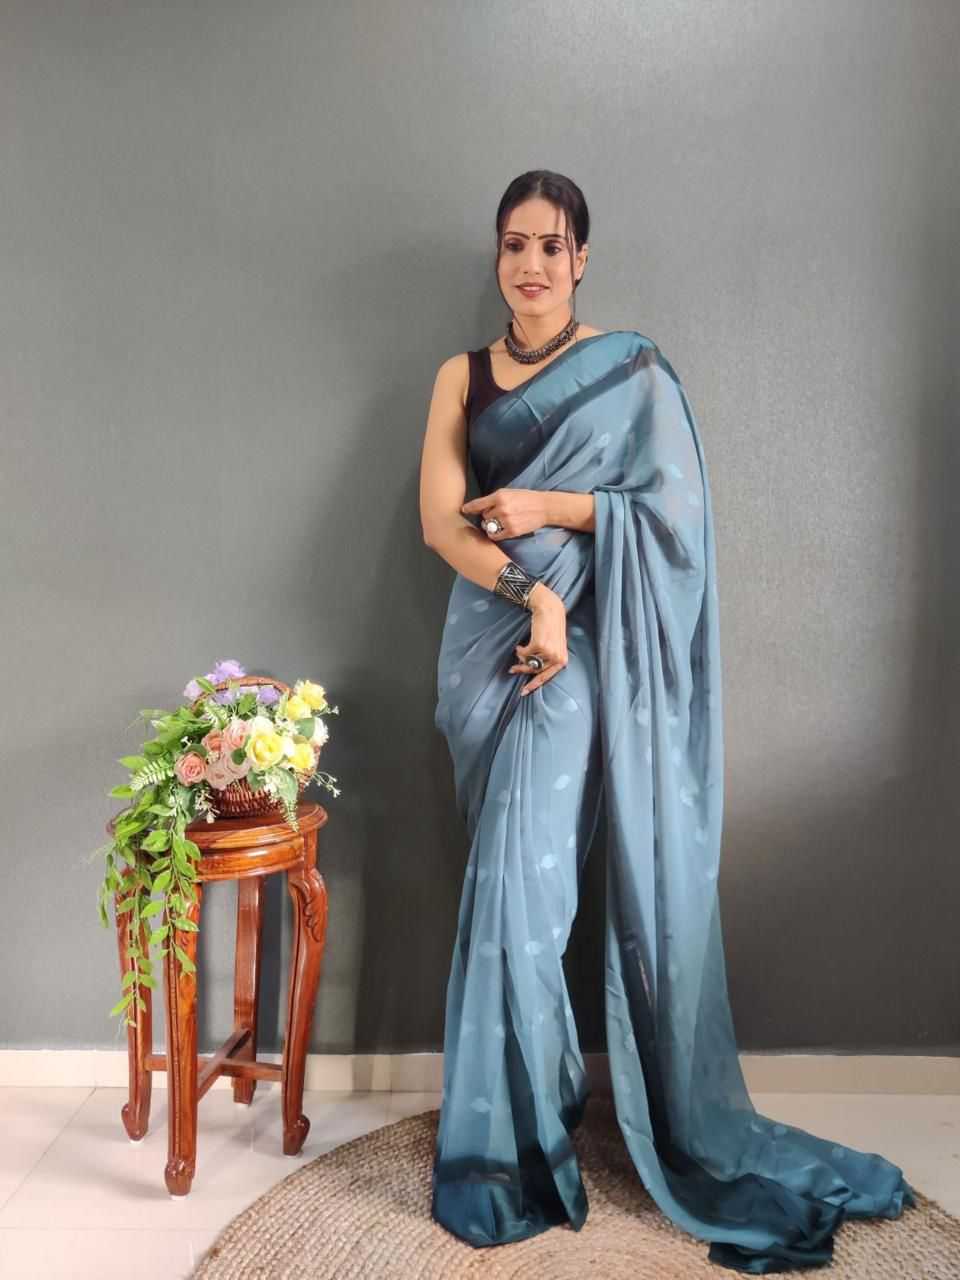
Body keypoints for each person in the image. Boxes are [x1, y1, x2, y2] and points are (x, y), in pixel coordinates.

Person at [418, 169, 917, 1272]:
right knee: (507, 886)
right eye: (514, 243)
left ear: (582, 259)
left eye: (552, 245)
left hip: (572, 665)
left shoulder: (630, 370)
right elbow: (441, 524)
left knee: (520, 894)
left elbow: (675, 518)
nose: (532, 263)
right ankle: (524, 1117)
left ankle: (513, 1145)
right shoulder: (461, 375)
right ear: (497, 256)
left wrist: (549, 508)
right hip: (490, 646)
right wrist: (534, 593)